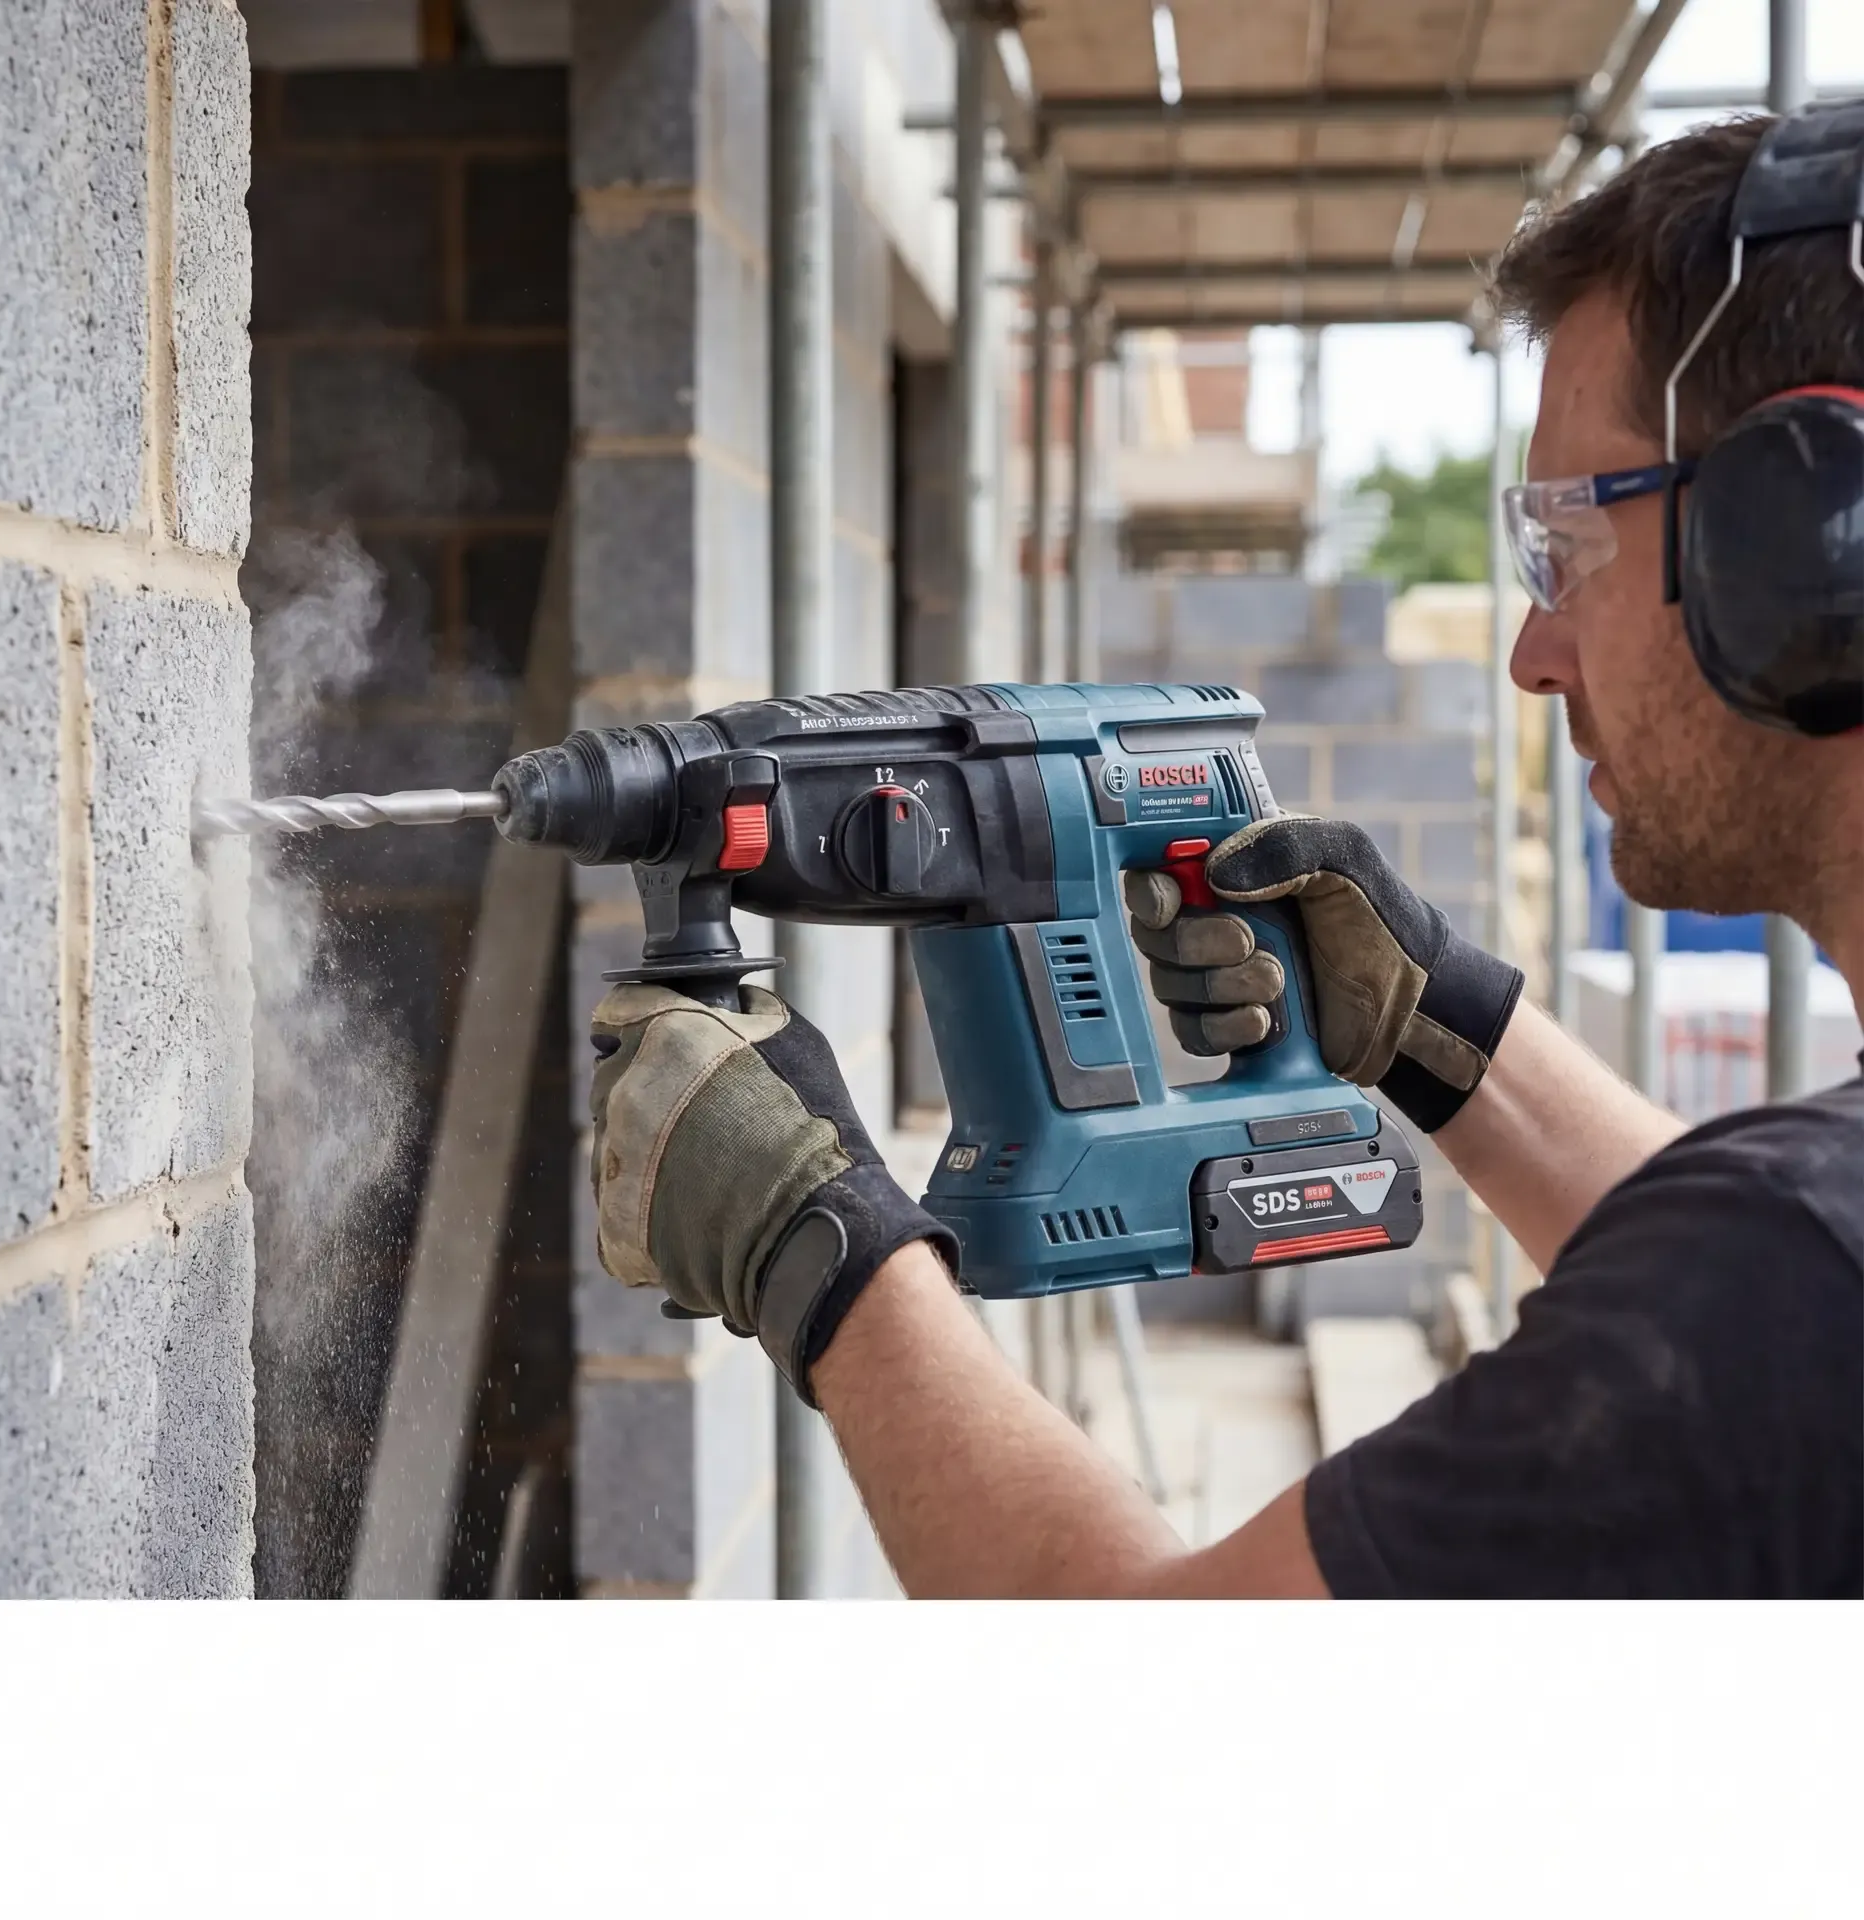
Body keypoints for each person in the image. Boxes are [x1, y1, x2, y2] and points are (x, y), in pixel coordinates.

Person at [586, 115, 1864, 1599]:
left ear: (1811, 545)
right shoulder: (1792, 1267)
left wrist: (820, 1242)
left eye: (1564, 549)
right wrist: (1438, 1023)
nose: (1532, 651)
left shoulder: (1775, 1278)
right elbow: (1754, 1308)